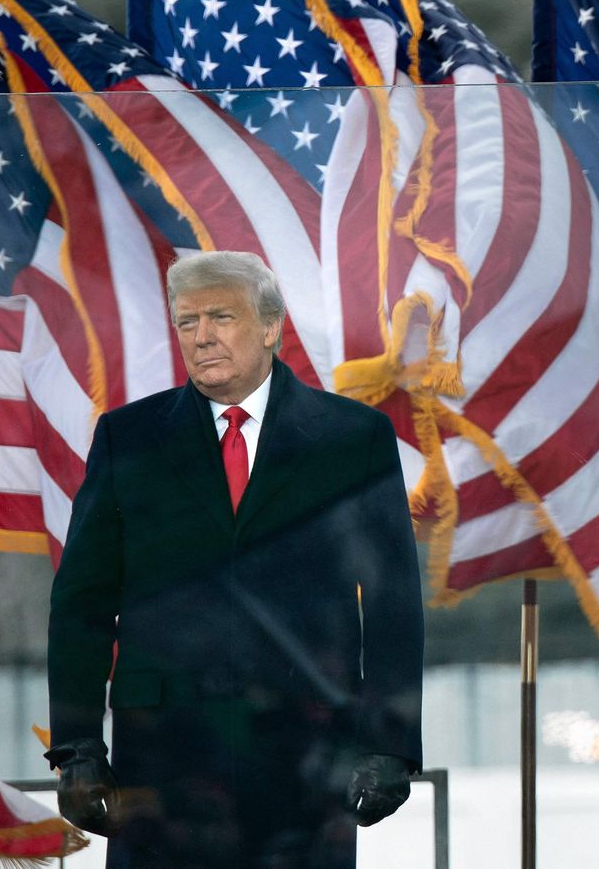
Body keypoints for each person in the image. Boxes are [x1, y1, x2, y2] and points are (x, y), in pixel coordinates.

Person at [45, 251, 423, 868]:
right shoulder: (128, 438)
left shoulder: (352, 439)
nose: (202, 337)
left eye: (221, 316)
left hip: (306, 752)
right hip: (162, 758)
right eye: (187, 322)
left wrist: (389, 745)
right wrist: (78, 746)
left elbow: (393, 605)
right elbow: (82, 603)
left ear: (271, 327)